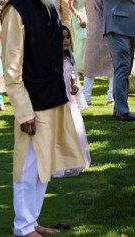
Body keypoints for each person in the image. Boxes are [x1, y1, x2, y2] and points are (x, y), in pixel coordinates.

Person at [0, 0, 85, 237]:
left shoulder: (47, 3)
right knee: (27, 166)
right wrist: (23, 111)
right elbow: (11, 67)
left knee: (43, 164)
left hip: (53, 97)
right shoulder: (16, 9)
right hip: (32, 103)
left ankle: (32, 221)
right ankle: (22, 227)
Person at [52, 26, 91, 178]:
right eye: (62, 38)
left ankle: (74, 162)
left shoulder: (69, 58)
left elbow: (73, 78)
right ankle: (59, 165)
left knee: (75, 131)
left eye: (68, 37)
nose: (66, 41)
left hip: (70, 102)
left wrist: (75, 86)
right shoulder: (53, 61)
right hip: (58, 102)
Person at [82, 0, 115, 105]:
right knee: (113, 65)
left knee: (90, 66)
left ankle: (86, 97)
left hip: (92, 30)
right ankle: (111, 96)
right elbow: (110, 10)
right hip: (106, 30)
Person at [68, 0, 91, 80]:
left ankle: (86, 68)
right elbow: (70, 6)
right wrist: (79, 17)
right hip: (78, 18)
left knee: (88, 43)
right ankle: (79, 69)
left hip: (89, 17)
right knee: (79, 43)